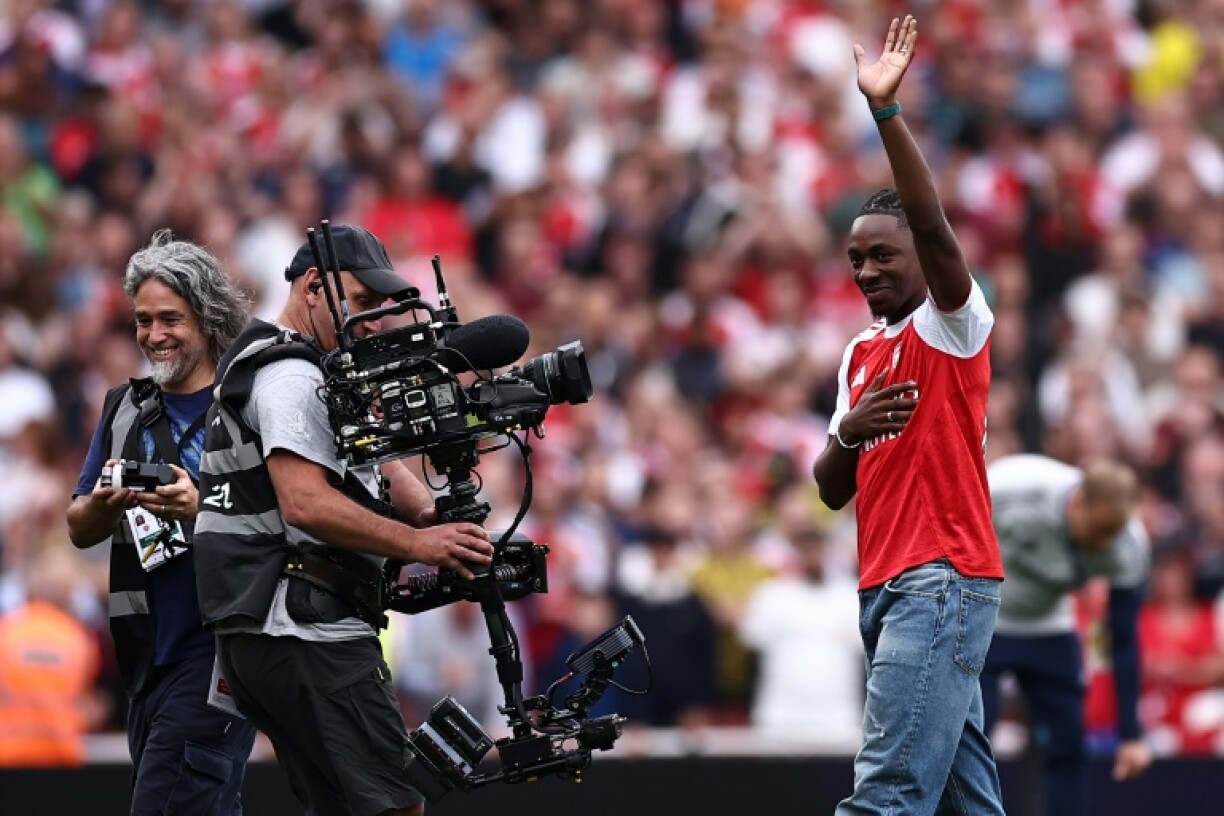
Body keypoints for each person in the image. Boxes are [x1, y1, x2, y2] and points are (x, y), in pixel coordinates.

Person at [193, 224, 494, 816]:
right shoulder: (291, 373)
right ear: (313, 288)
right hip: (304, 627)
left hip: (269, 631)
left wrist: (430, 514)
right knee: (397, 806)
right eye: (361, 300)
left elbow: (365, 464)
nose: (374, 320)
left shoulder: (306, 367)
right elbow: (305, 502)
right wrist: (419, 543)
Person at [811, 16, 1006, 815]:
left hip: (939, 578)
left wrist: (885, 113)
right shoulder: (860, 353)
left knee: (885, 796)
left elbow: (929, 221)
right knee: (968, 805)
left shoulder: (954, 324)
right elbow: (830, 489)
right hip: (886, 587)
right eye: (856, 258)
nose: (866, 270)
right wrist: (847, 432)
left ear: (924, 257)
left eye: (882, 254)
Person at [66, 231, 256, 814]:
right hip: (146, 659)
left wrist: (202, 506)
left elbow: (290, 520)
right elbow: (78, 526)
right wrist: (105, 503)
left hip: (222, 649)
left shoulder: (249, 403)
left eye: (170, 319)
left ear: (208, 318)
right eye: (143, 320)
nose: (154, 334)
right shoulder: (122, 406)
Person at [983, 454, 1152, 816]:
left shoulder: (1129, 544)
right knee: (972, 737)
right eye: (1098, 530)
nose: (1104, 545)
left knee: (1069, 742)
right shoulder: (1011, 488)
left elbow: (1122, 639)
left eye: (1111, 534)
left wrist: (1131, 735)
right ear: (1077, 503)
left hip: (1050, 624)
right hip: (986, 620)